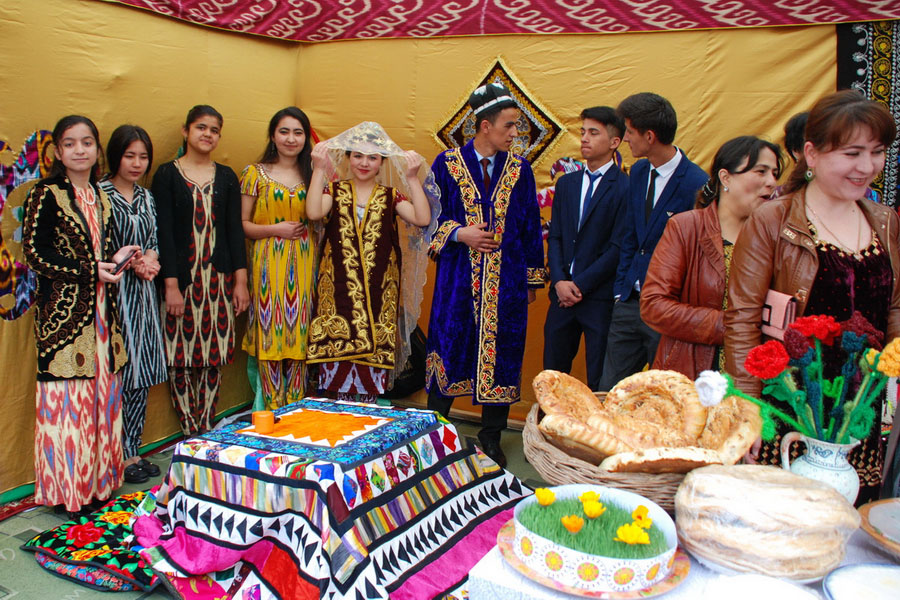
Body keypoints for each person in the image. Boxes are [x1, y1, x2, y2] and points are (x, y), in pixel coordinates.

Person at [725, 90, 898, 505]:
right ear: (813, 153)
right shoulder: (774, 219)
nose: (867, 167)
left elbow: (893, 306)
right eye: (852, 153)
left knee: (850, 521)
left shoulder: (886, 221)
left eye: (877, 152)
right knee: (783, 520)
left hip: (861, 408)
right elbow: (743, 319)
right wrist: (748, 412)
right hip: (790, 404)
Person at [22, 115, 139, 516]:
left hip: (104, 317)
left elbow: (100, 252)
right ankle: (70, 493)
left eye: (87, 142)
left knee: (102, 399)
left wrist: (120, 259)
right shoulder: (46, 194)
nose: (79, 150)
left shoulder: (101, 194)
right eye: (70, 144)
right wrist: (93, 270)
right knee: (70, 404)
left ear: (96, 149)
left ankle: (102, 483)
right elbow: (36, 255)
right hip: (65, 321)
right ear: (58, 151)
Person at [425, 83, 546, 468]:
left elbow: (529, 225)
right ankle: (433, 436)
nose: (515, 134)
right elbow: (428, 220)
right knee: (450, 346)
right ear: (484, 126)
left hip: (506, 282)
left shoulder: (520, 170)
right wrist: (460, 233)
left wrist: (529, 280)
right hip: (457, 281)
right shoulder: (445, 165)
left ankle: (491, 438)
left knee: (503, 355)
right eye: (509, 125)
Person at [305, 121, 435, 403]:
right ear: (349, 158)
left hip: (378, 293)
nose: (364, 163)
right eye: (358, 155)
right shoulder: (335, 190)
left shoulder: (390, 196)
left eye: (372, 157)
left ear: (381, 162)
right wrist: (318, 170)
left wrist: (412, 177)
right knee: (334, 350)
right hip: (337, 291)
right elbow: (314, 212)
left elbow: (423, 219)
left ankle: (367, 411)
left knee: (374, 349)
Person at [641, 136, 782, 380]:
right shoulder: (686, 228)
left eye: (775, 173)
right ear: (725, 178)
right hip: (694, 375)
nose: (771, 182)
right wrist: (729, 326)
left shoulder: (777, 236)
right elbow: (654, 305)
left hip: (759, 379)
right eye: (761, 171)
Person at [597, 92, 708, 391]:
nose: (625, 139)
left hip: (668, 310)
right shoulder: (639, 171)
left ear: (649, 135)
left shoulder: (697, 184)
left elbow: (697, 253)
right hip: (629, 304)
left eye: (629, 132)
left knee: (663, 394)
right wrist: (622, 290)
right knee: (612, 390)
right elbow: (630, 235)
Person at [153, 105, 249, 436]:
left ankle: (206, 428)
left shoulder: (226, 177)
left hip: (218, 281)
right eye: (201, 127)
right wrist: (170, 287)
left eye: (214, 130)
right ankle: (189, 430)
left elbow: (235, 233)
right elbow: (163, 233)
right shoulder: (167, 174)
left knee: (212, 356)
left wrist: (241, 282)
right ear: (186, 131)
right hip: (181, 281)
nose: (207, 134)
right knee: (180, 357)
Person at [99, 125, 167, 484]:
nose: (137, 163)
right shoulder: (100, 194)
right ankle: (110, 453)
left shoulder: (146, 196)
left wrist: (150, 260)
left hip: (142, 294)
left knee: (140, 375)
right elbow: (96, 246)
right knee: (116, 375)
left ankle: (132, 451)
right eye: (130, 155)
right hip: (112, 295)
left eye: (143, 156)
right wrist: (128, 261)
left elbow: (153, 239)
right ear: (115, 156)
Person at [543, 106, 629, 390]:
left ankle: (590, 434)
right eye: (583, 132)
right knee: (553, 376)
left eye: (594, 133)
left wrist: (579, 285)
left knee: (599, 380)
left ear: (614, 142)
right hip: (561, 297)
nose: (585, 139)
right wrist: (559, 282)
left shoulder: (625, 187)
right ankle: (547, 432)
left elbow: (618, 247)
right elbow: (555, 236)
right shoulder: (567, 183)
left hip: (598, 299)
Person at [240, 107, 316, 408]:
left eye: (298, 132)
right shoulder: (254, 173)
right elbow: (242, 225)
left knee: (300, 338)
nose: (291, 138)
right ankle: (270, 413)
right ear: (273, 135)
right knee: (271, 335)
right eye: (284, 131)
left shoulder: (314, 174)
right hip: (267, 267)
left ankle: (296, 413)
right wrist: (276, 229)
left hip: (306, 266)